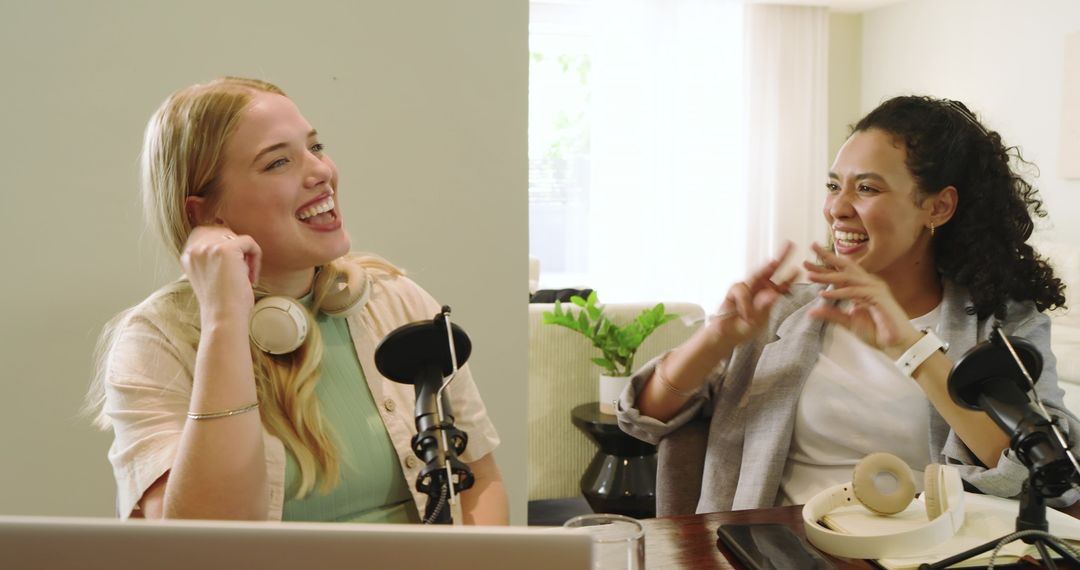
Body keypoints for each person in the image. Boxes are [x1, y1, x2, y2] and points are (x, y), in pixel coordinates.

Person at [618, 95, 1079, 512]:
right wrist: (715, 339)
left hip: (922, 556)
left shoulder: (1006, 325)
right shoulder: (785, 310)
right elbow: (644, 419)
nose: (837, 208)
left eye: (867, 188)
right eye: (834, 185)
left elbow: (1049, 476)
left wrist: (911, 347)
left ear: (937, 208)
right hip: (773, 549)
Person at [86, 77, 508, 523]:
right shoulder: (156, 343)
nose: (321, 171)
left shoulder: (396, 300)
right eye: (278, 162)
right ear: (206, 214)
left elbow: (479, 479)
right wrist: (225, 320)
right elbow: (202, 544)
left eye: (315, 147)